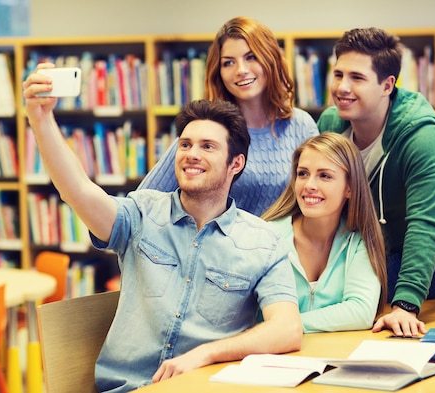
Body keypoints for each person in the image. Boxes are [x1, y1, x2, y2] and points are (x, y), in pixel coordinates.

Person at [23, 67, 303, 392]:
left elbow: (287, 329)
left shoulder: (263, 242)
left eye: (207, 147)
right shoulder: (141, 213)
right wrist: (40, 119)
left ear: (235, 164)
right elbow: (78, 192)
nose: (191, 155)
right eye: (185, 145)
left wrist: (206, 354)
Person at [317, 27, 435, 337]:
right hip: (366, 246)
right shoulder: (330, 124)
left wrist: (405, 306)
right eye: (338, 74)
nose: (342, 87)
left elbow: (425, 224)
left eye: (357, 78)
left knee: (329, 289)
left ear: (387, 85)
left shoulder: (421, 136)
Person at [138, 16, 318, 216]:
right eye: (228, 63)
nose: (241, 70)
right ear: (219, 72)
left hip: (287, 246)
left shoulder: (302, 126)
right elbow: (141, 206)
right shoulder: (207, 130)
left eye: (251, 57)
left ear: (271, 59)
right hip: (217, 245)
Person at [261, 133, 387, 333]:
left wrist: (286, 327)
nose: (309, 185)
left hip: (329, 355)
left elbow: (361, 311)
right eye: (302, 174)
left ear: (350, 188)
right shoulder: (266, 237)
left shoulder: (359, 241)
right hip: (268, 356)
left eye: (324, 176)